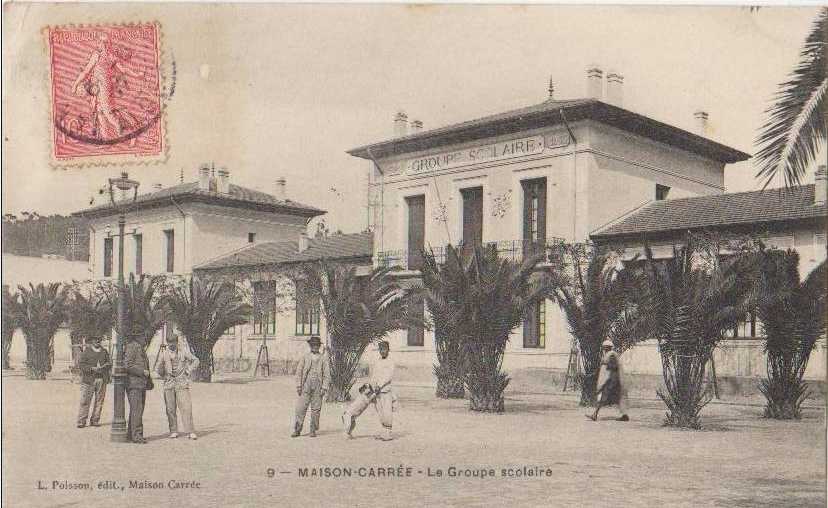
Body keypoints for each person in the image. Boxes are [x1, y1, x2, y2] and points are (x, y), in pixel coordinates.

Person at [156, 333, 199, 440]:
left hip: (181, 383)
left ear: (177, 342)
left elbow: (196, 360)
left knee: (186, 407)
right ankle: (173, 430)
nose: (172, 345)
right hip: (169, 384)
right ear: (167, 343)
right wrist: (164, 375)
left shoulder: (183, 352)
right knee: (170, 409)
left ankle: (190, 431)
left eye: (174, 343)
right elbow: (159, 369)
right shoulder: (164, 354)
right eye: (170, 343)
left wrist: (189, 370)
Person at [292, 336, 330, 438]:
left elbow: (327, 374)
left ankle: (313, 429)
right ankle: (297, 429)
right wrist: (299, 385)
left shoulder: (323, 358)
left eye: (317, 345)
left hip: (318, 385)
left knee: (316, 409)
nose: (315, 347)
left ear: (319, 346)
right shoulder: (305, 357)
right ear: (310, 346)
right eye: (313, 345)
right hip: (306, 385)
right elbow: (299, 372)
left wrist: (324, 387)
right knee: (300, 408)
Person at [588, 339, 629, 422]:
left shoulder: (611, 355)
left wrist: (606, 369)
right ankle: (624, 415)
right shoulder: (610, 355)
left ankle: (595, 414)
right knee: (618, 398)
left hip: (613, 380)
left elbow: (613, 367)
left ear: (607, 348)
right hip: (614, 380)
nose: (604, 349)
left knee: (604, 396)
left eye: (605, 348)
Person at [76, 335, 111, 428]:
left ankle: (95, 420)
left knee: (99, 401)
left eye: (99, 340)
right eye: (95, 340)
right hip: (89, 380)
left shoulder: (104, 352)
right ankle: (81, 421)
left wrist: (105, 366)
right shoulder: (87, 352)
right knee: (85, 401)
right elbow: (81, 365)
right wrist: (91, 368)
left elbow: (109, 363)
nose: (97, 341)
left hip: (101, 379)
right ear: (92, 341)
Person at [125, 334, 152, 444]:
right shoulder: (133, 347)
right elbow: (127, 365)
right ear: (138, 337)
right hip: (134, 384)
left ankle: (131, 435)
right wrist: (142, 371)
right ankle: (137, 435)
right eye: (144, 337)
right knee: (137, 410)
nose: (146, 339)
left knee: (136, 410)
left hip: (140, 384)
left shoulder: (139, 347)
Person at [371, 340, 395, 441]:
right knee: (380, 411)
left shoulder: (391, 362)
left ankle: (388, 433)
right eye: (381, 349)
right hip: (377, 392)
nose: (383, 351)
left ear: (388, 350)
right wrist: (372, 386)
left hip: (385, 391)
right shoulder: (377, 361)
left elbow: (388, 376)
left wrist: (380, 385)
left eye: (385, 349)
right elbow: (374, 375)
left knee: (387, 411)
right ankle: (383, 432)